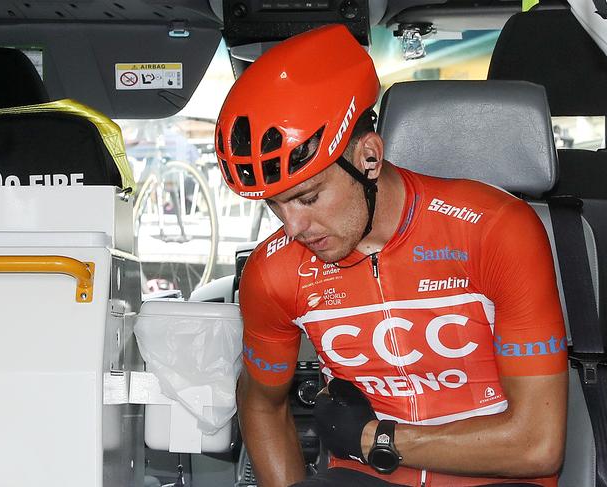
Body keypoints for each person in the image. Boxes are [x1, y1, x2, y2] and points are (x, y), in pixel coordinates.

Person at [215, 24, 568, 487]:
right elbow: (262, 401)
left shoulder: (497, 230)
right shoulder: (273, 271)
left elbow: (538, 446)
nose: (294, 227)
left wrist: (374, 439)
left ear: (369, 158)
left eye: (308, 197)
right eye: (275, 205)